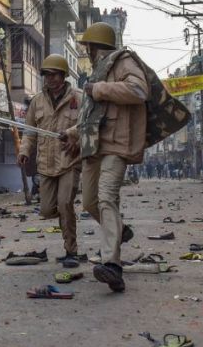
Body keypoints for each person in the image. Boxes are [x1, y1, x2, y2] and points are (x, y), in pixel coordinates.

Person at [62, 22, 150, 292]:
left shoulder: (123, 62)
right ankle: (120, 232)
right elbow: (93, 117)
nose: (86, 51)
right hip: (93, 148)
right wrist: (72, 133)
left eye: (88, 46)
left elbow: (139, 91)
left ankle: (112, 265)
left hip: (116, 146)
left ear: (94, 45)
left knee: (106, 198)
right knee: (89, 202)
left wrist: (99, 89)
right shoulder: (97, 72)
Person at [18, 54, 82, 268]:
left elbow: (89, 126)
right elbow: (29, 132)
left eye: (54, 74)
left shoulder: (79, 98)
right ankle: (66, 219)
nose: (50, 79)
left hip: (68, 161)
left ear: (63, 75)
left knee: (65, 204)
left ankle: (71, 251)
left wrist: (74, 135)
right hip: (45, 164)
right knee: (46, 210)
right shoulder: (37, 101)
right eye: (46, 74)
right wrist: (24, 150)